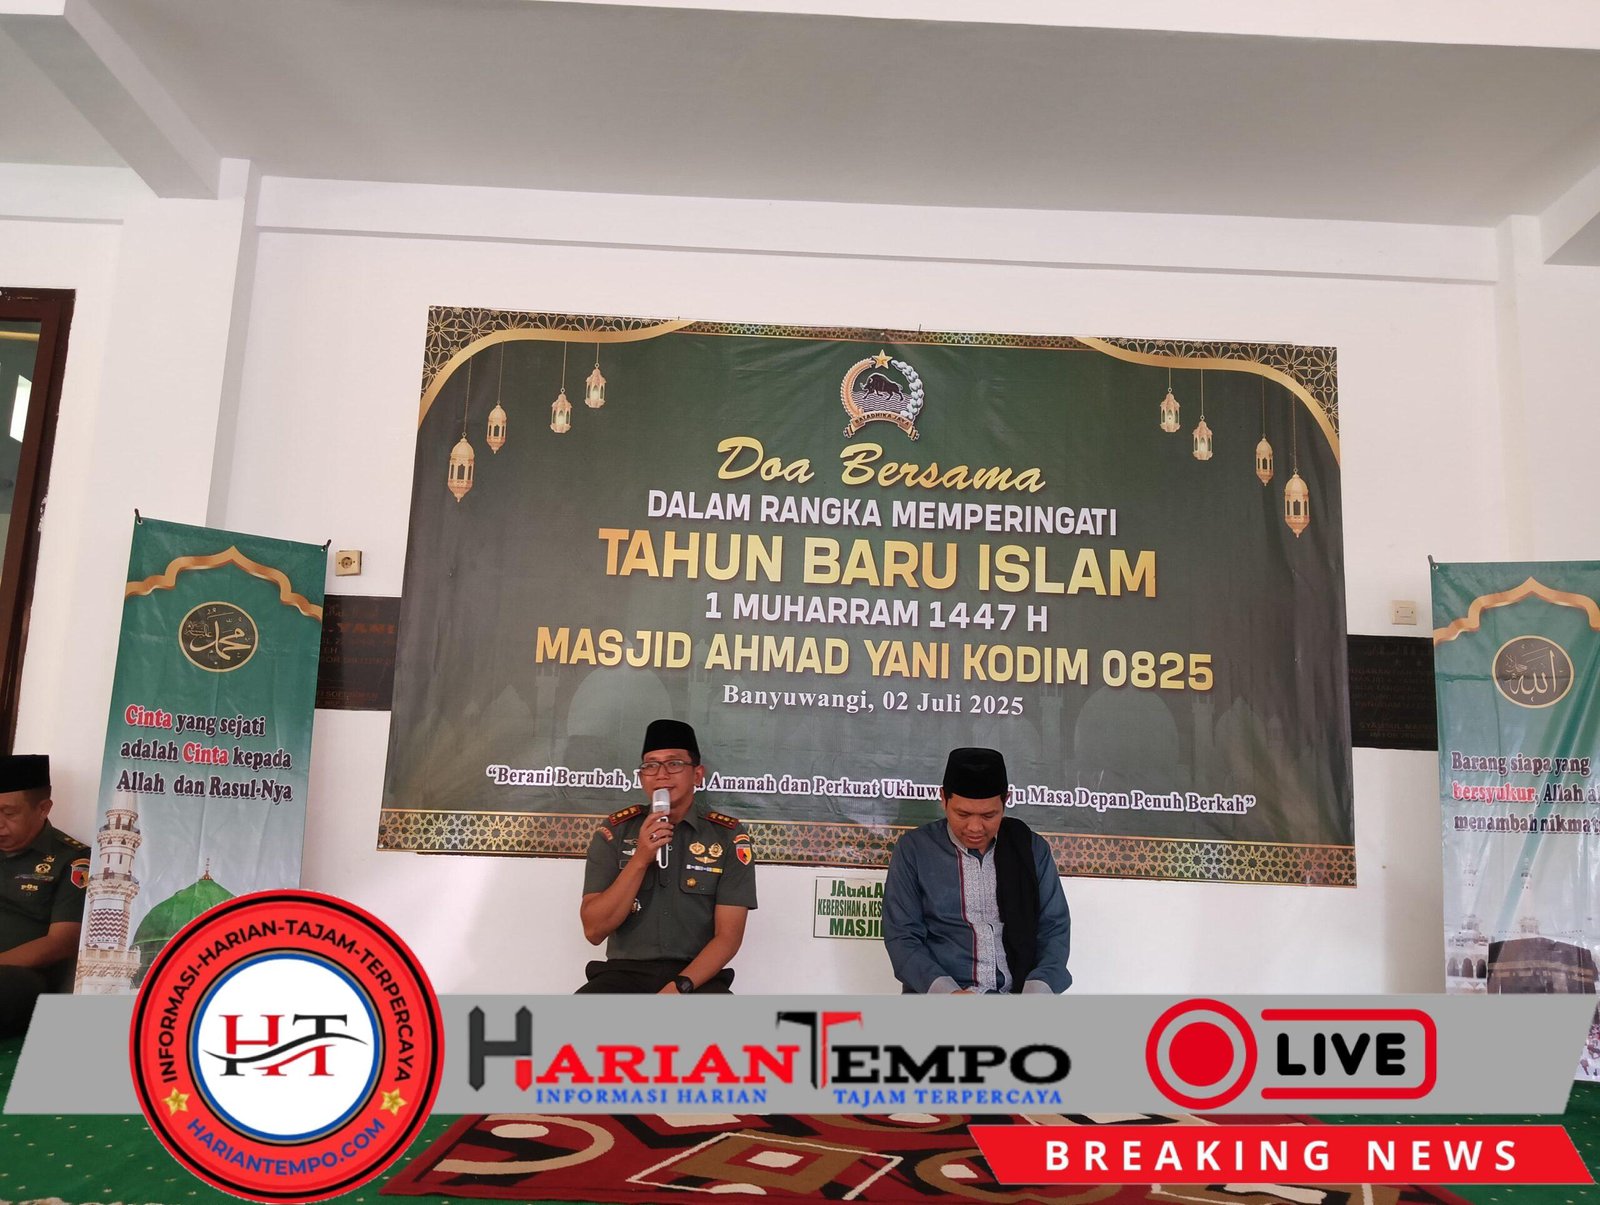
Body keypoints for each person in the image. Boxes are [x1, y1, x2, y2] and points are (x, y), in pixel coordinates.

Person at [577, 720, 756, 993]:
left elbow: (728, 937)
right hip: (624, 975)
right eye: (651, 765)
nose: (661, 774)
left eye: (674, 763)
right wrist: (640, 859)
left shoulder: (727, 837)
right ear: (641, 777)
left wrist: (680, 987)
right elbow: (594, 930)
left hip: (695, 979)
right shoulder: (614, 833)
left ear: (697, 775)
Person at [882, 747, 1071, 994]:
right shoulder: (914, 850)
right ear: (943, 799)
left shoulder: (1031, 849)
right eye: (962, 814)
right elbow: (902, 938)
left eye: (988, 815)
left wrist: (1037, 992)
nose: (975, 827)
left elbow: (1054, 928)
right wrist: (949, 993)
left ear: (1006, 801)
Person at [0, 755, 88, 1036]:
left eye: (8, 813)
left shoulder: (72, 859)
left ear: (43, 809)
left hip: (19, 976)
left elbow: (63, 942)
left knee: (14, 987)